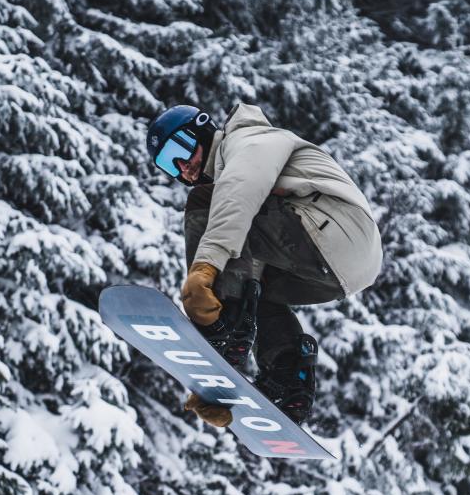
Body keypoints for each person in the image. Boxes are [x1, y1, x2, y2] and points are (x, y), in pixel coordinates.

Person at [146, 103, 382, 427]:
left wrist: (205, 268)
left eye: (180, 148)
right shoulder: (240, 159)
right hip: (343, 267)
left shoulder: (247, 139)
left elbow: (239, 192)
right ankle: (289, 377)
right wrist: (215, 385)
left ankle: (224, 328)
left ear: (202, 130)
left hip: (330, 231)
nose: (181, 166)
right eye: (167, 165)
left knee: (206, 202)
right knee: (256, 288)